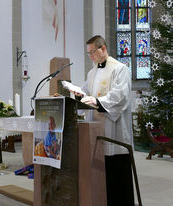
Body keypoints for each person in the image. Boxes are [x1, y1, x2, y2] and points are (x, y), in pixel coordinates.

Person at [70, 35, 134, 206]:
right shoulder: (92, 72)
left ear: (103, 48)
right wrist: (78, 93)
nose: (90, 56)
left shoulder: (120, 69)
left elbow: (121, 95)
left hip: (116, 129)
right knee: (103, 175)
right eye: (88, 53)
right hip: (97, 129)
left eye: (92, 52)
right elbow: (86, 91)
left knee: (118, 174)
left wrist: (98, 102)